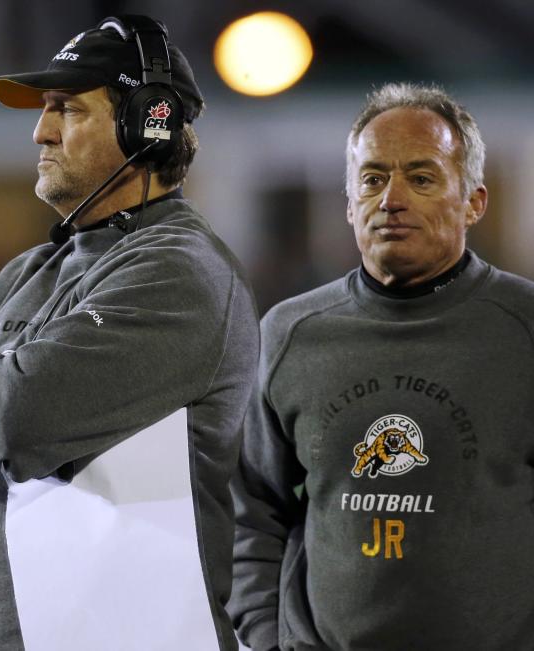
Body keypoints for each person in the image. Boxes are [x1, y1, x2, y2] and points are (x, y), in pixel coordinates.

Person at [0, 15, 259, 651]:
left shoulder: (181, 273)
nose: (40, 130)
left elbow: (17, 419)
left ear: (147, 125)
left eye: (67, 109)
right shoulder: (28, 271)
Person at [229, 82, 534, 650]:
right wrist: (269, 638)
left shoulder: (524, 329)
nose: (391, 199)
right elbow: (252, 513)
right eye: (372, 179)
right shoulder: (291, 333)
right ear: (349, 205)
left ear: (473, 202)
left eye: (421, 178)